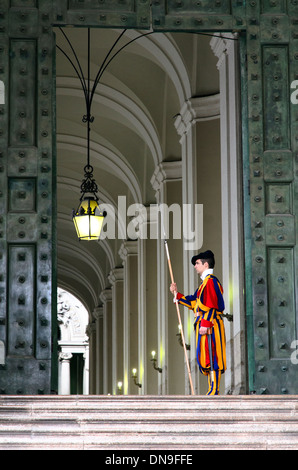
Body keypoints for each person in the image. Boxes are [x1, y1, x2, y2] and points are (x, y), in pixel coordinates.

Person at [170, 249, 226, 395]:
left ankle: (214, 389)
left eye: (197, 263)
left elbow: (214, 305)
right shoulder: (204, 285)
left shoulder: (211, 282)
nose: (195, 266)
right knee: (207, 356)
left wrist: (206, 324)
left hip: (211, 326)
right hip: (205, 325)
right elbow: (194, 302)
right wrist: (177, 295)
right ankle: (211, 388)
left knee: (213, 356)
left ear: (205, 264)